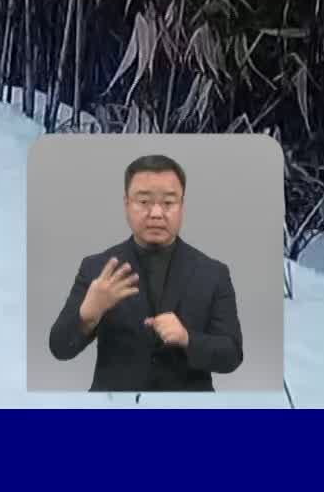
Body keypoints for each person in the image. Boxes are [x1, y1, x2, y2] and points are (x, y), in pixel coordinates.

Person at [46, 154, 244, 391]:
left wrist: (188, 339)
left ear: (182, 206)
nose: (156, 213)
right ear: (126, 204)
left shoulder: (213, 273)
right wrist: (88, 315)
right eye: (144, 202)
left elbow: (232, 354)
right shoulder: (97, 268)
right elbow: (59, 348)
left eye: (169, 203)